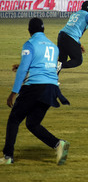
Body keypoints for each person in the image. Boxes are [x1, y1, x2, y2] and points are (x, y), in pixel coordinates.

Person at [0, 18, 70, 165]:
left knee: (14, 119)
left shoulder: (30, 44)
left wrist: (14, 92)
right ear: (43, 30)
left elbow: (24, 69)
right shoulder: (53, 46)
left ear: (29, 30)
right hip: (51, 88)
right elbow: (47, 65)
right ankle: (58, 144)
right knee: (32, 123)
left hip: (35, 87)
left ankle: (7, 157)